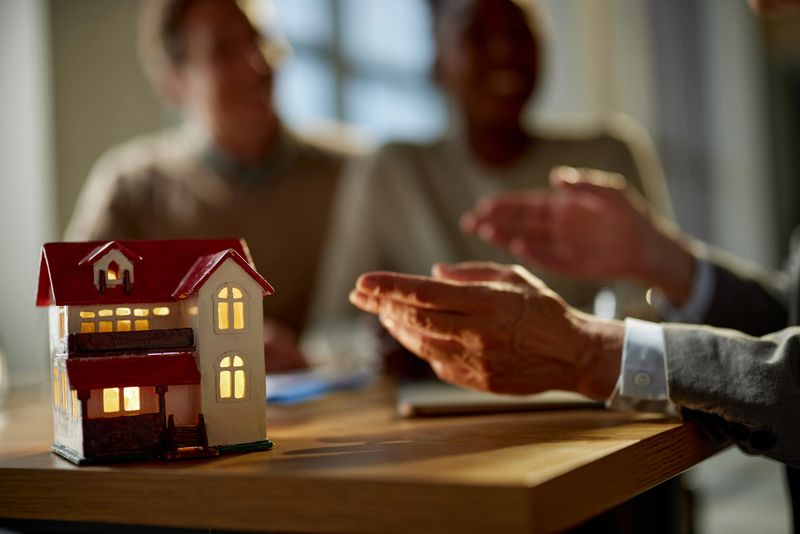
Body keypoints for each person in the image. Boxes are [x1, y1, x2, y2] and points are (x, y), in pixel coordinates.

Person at [309, 0, 674, 357]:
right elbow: (328, 332)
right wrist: (378, 341)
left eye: (519, 35)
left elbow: (653, 309)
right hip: (438, 403)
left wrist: (575, 342)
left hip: (584, 393)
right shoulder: (392, 171)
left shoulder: (607, 157)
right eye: (478, 36)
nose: (503, 51)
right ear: (439, 64)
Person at [65, 0, 360, 370]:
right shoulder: (132, 189)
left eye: (259, 40)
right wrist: (206, 345)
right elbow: (76, 328)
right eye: (222, 50)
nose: (257, 65)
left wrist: (317, 357)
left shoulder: (352, 171)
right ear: (174, 80)